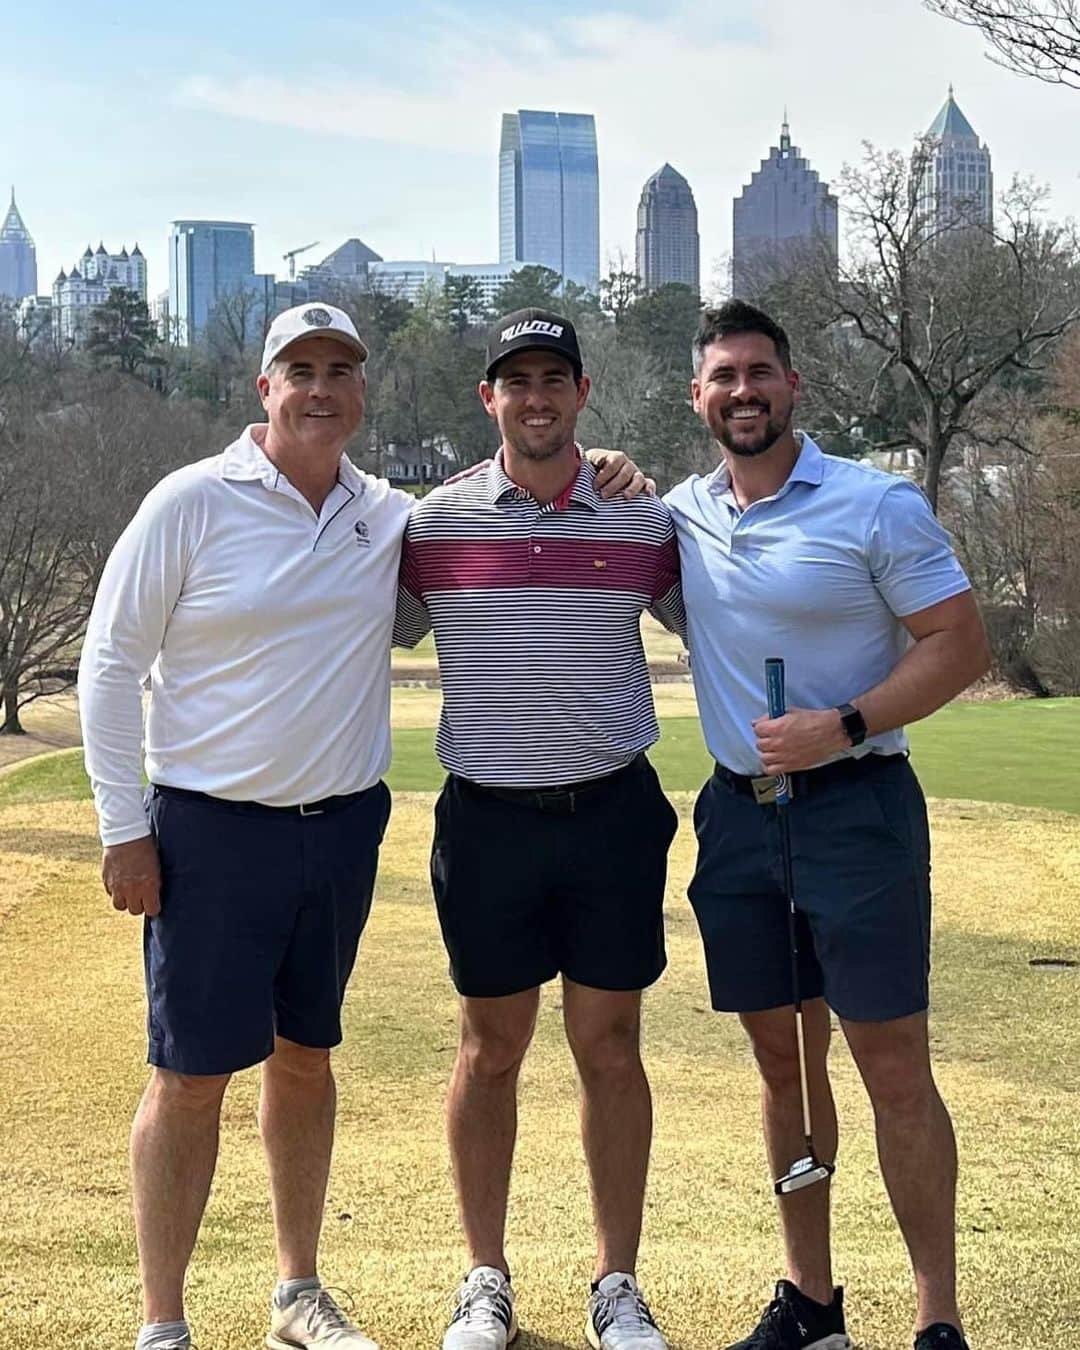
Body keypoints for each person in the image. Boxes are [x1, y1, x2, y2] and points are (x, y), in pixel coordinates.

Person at [77, 301, 645, 1350]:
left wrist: (604, 464)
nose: (322, 385)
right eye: (301, 368)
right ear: (265, 386)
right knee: (190, 1075)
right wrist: (125, 829)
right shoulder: (190, 503)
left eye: (342, 368)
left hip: (338, 831)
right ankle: (164, 1322)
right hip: (208, 828)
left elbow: (529, 489)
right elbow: (110, 666)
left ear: (364, 391)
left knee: (306, 1059)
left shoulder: (388, 515)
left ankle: (298, 1293)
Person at [663, 300, 990, 1350]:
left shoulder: (874, 505)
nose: (743, 391)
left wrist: (844, 725)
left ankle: (936, 1315)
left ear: (792, 386)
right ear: (698, 396)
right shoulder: (681, 513)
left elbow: (958, 643)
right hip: (738, 819)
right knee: (783, 1068)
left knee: (893, 1066)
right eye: (724, 376)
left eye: (761, 372)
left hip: (858, 814)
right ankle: (811, 1301)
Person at [394, 308, 685, 1350]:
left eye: (553, 378)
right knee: (491, 1048)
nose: (535, 398)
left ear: (582, 393)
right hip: (488, 823)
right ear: (490, 400)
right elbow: (348, 621)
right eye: (515, 381)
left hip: (610, 812)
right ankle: (485, 1277)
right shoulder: (435, 527)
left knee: (611, 1047)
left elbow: (721, 616)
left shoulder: (639, 521)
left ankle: (617, 1281)